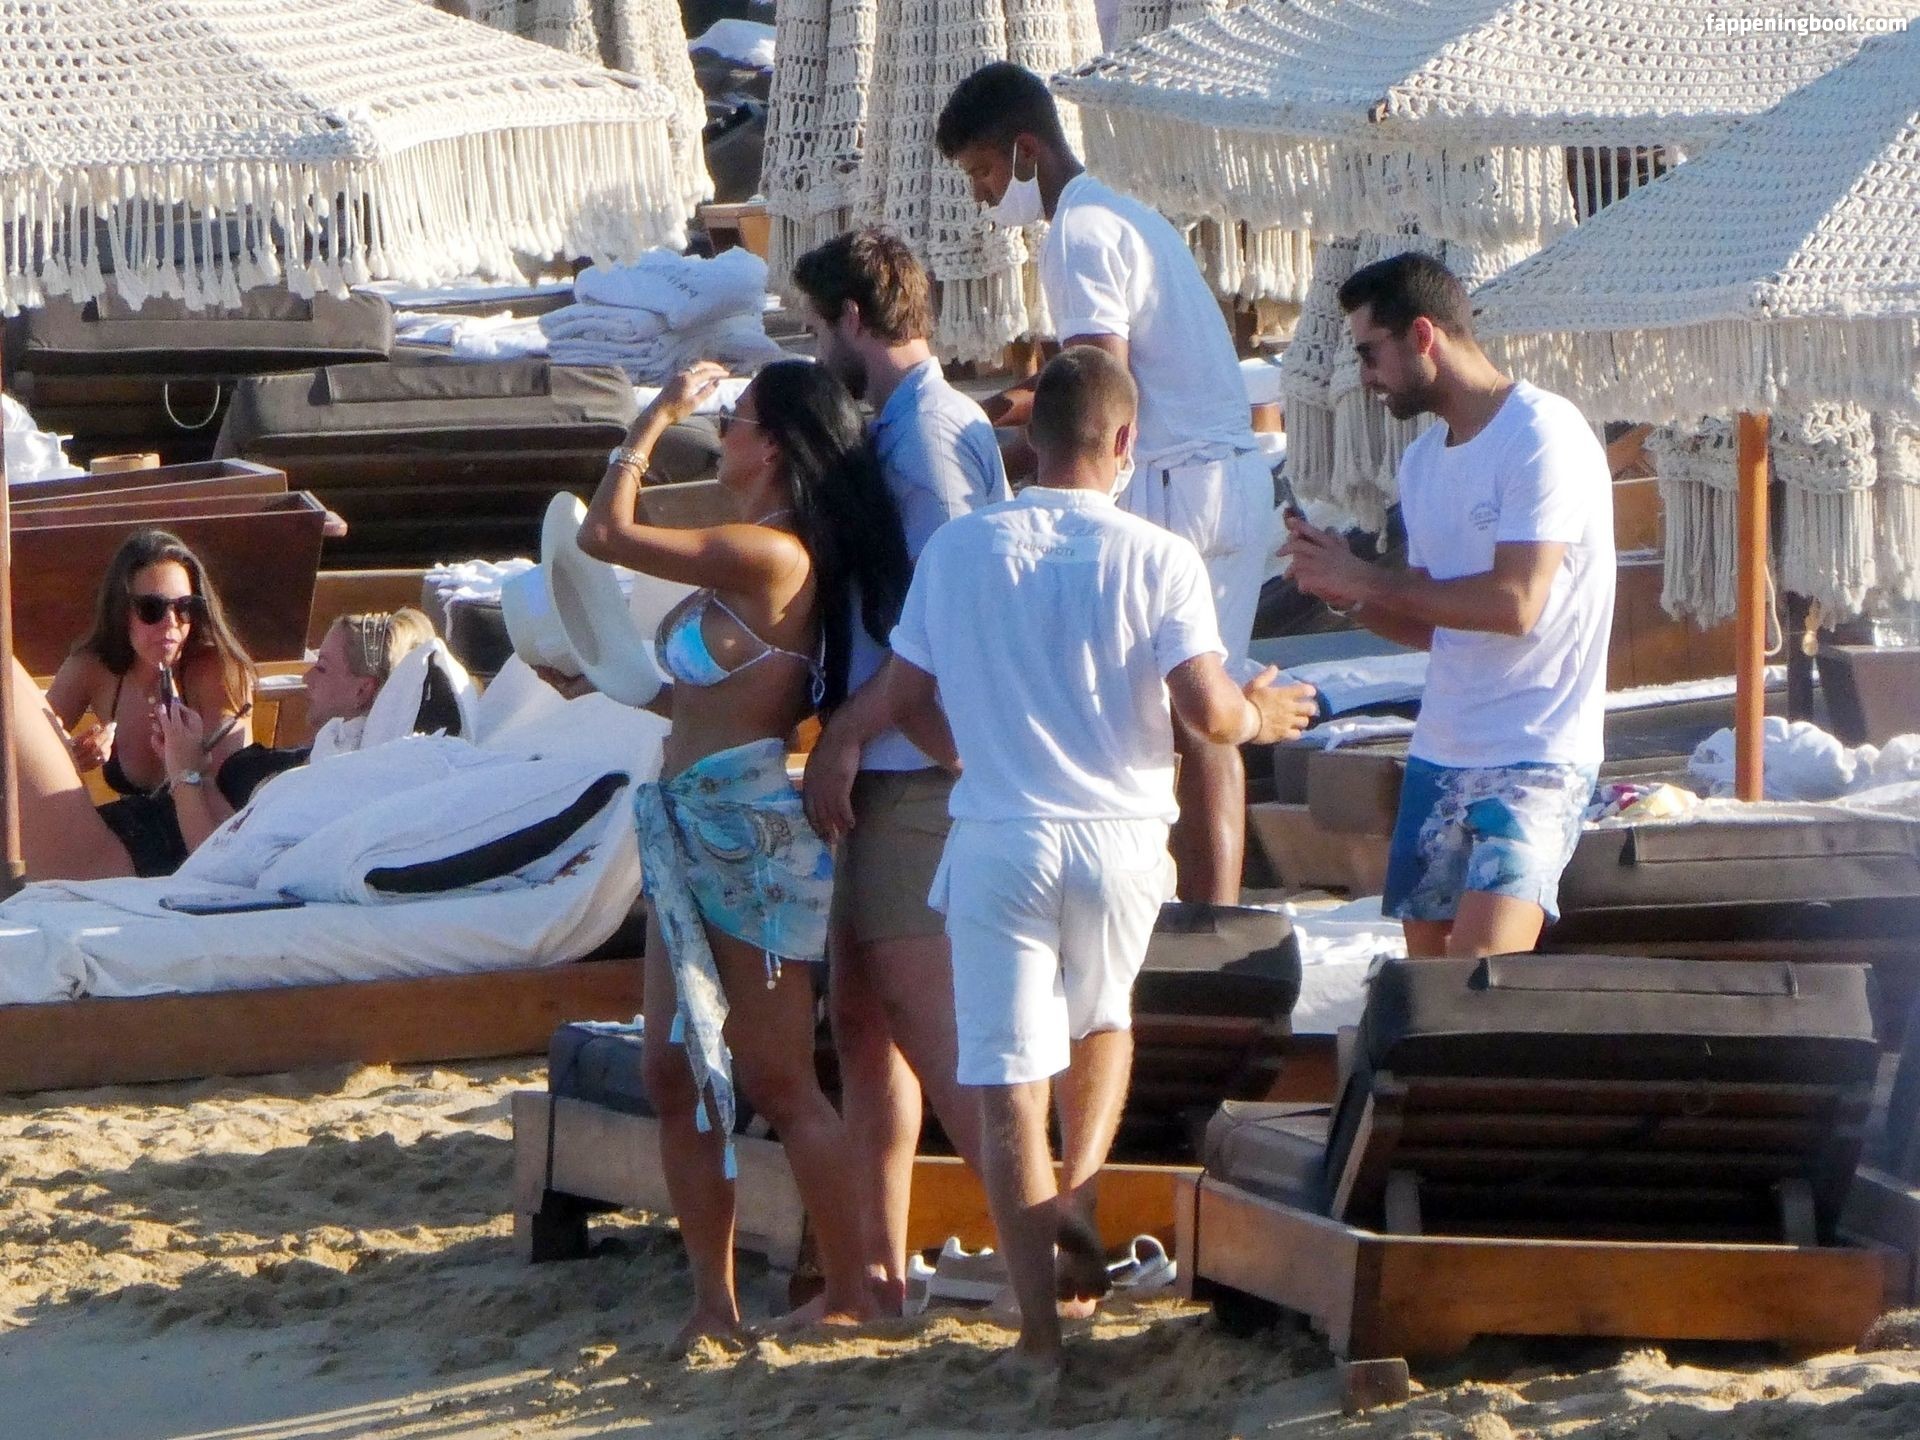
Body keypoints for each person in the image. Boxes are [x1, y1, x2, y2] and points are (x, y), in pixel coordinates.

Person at [886, 348, 1317, 1370]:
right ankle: (1077, 1194)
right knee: (1105, 1018)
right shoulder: (1157, 555)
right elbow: (1207, 711)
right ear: (1125, 441)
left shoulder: (958, 550)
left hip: (1001, 833)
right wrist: (1263, 715)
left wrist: (976, 751)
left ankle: (1040, 1334)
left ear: (1031, 438)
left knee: (1007, 1083)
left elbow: (905, 701)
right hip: (1120, 835)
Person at [578, 357, 912, 1354]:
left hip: (747, 832)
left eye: (733, 422)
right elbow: (698, 700)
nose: (720, 435)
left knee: (775, 1077)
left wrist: (654, 416)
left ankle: (857, 1289)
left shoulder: (769, 554)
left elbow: (604, 534)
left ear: (773, 446)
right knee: (672, 1071)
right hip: (687, 821)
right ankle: (713, 1302)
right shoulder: (756, 557)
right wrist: (593, 673)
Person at [936, 62, 1275, 908]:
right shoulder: (1125, 213)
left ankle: (1207, 926)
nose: (982, 195)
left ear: (1027, 151)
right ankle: (1205, 920)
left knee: (1192, 720)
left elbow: (1093, 395)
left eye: (984, 171)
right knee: (1200, 714)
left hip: (1178, 482)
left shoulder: (1079, 233)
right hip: (1220, 480)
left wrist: (975, 434)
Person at [790, 227, 1008, 1310]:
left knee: (930, 1024)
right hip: (899, 757)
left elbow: (950, 618)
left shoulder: (922, 438)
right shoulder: (918, 424)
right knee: (867, 1024)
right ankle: (872, 1271)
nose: (811, 348)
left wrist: (851, 735)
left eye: (814, 327)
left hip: (915, 764)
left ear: (853, 320)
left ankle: (1045, 1253)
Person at [1282, 252, 1614, 959]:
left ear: (1423, 335)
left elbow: (1516, 604)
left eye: (1370, 353)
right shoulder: (1422, 462)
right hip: (1440, 752)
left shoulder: (1542, 433)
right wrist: (1342, 591)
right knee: (1430, 996)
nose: (1364, 377)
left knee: (1480, 985)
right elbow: (1437, 625)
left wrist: (1367, 578)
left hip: (1537, 755)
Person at [16, 604, 440, 880]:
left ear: (363, 690)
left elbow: (222, 860)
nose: (308, 677)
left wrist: (183, 771)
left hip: (117, 860)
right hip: (117, 833)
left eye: (323, 668)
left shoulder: (332, 780)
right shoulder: (319, 755)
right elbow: (237, 828)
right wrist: (194, 765)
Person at [46, 529, 256, 877]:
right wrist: (66, 755)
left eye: (185, 607)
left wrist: (188, 764)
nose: (171, 622)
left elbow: (231, 800)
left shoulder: (217, 671)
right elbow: (22, 755)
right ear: (120, 611)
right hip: (131, 845)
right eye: (151, 609)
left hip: (208, 850)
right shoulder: (92, 667)